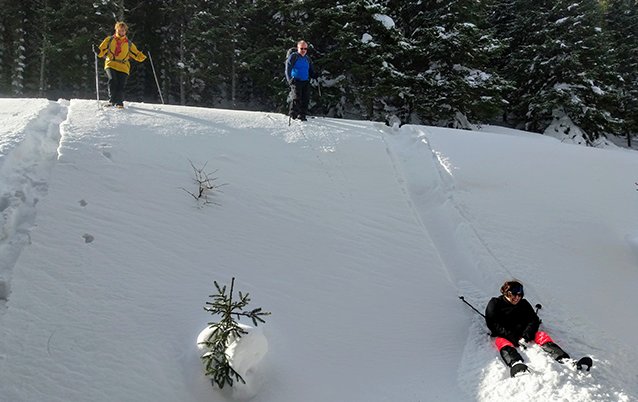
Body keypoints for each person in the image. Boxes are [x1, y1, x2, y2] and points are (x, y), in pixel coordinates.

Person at [485, 280, 571, 376]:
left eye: (520, 295)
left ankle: (563, 358)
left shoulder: (523, 303)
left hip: (523, 331)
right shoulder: (495, 303)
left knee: (541, 335)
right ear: (507, 293)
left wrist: (527, 335)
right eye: (514, 294)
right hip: (505, 334)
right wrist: (512, 337)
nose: (517, 298)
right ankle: (516, 364)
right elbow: (493, 324)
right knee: (502, 342)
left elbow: (534, 320)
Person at [97, 21, 146, 108]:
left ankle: (119, 102)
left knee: (121, 84)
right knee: (112, 80)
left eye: (123, 30)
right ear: (116, 30)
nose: (121, 32)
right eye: (119, 30)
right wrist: (97, 51)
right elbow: (101, 50)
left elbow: (136, 54)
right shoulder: (109, 40)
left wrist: (143, 55)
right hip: (111, 63)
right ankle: (112, 100)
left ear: (125, 31)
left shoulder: (128, 43)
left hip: (123, 66)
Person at [285, 40, 317, 121]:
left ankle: (302, 115)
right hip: (296, 80)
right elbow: (288, 69)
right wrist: (289, 79)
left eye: (305, 49)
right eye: (301, 48)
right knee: (296, 97)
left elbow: (310, 70)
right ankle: (293, 114)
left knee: (305, 98)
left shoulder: (307, 58)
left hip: (305, 81)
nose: (303, 51)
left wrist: (314, 75)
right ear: (298, 48)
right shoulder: (294, 57)